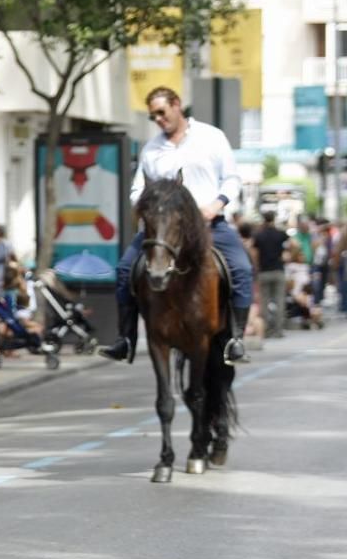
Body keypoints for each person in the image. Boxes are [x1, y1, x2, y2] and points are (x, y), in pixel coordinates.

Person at [99, 86, 253, 365]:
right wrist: (148, 208)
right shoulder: (151, 149)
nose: (158, 119)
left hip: (209, 225)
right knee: (124, 269)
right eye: (153, 116)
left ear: (177, 105)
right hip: (162, 230)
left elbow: (231, 179)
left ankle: (235, 338)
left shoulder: (212, 137)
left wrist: (214, 206)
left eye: (161, 112)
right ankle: (126, 339)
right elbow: (137, 190)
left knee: (241, 268)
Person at [251, 211, 288, 338]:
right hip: (278, 270)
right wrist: (285, 257)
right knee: (279, 301)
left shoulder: (259, 235)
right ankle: (278, 330)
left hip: (264, 271)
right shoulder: (281, 234)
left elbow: (254, 253)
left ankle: (265, 329)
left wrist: (256, 268)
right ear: (274, 218)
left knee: (264, 302)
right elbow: (294, 245)